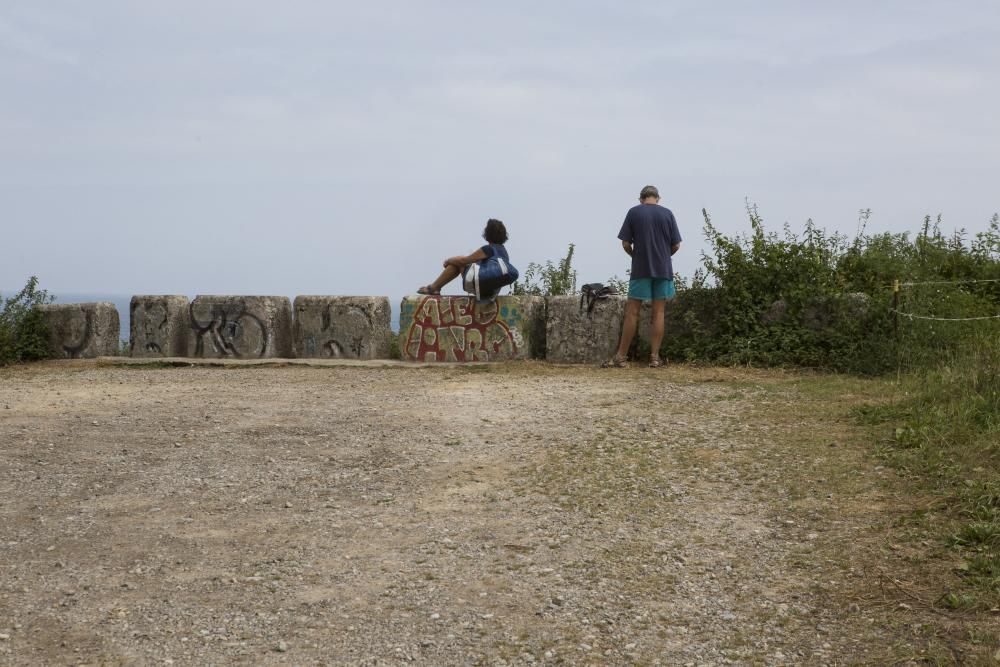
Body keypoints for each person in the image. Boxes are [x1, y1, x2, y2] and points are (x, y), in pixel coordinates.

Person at [604, 185, 682, 368]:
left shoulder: (633, 212)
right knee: (659, 312)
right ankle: (654, 357)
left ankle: (621, 356)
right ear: (658, 198)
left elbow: (625, 243)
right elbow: (676, 245)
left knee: (632, 312)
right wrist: (664, 256)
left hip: (640, 268)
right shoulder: (668, 214)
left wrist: (635, 255)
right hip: (663, 269)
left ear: (641, 199)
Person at [416, 219, 512, 301]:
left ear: (487, 234)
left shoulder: (488, 249)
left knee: (458, 262)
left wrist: (449, 260)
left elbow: (464, 261)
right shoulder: (504, 252)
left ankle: (433, 288)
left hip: (480, 286)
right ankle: (434, 287)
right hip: (492, 290)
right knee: (462, 261)